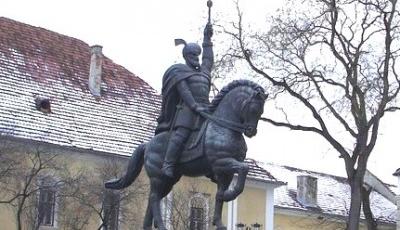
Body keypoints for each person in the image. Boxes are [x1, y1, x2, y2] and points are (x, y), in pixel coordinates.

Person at [155, 23, 214, 178]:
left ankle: (211, 164)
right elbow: (184, 91)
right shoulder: (179, 71)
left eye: (197, 55)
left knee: (215, 132)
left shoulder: (204, 71)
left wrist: (207, 39)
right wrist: (195, 106)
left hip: (205, 108)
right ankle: (168, 163)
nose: (196, 58)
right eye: (193, 56)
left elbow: (208, 58)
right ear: (187, 56)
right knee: (181, 134)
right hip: (187, 109)